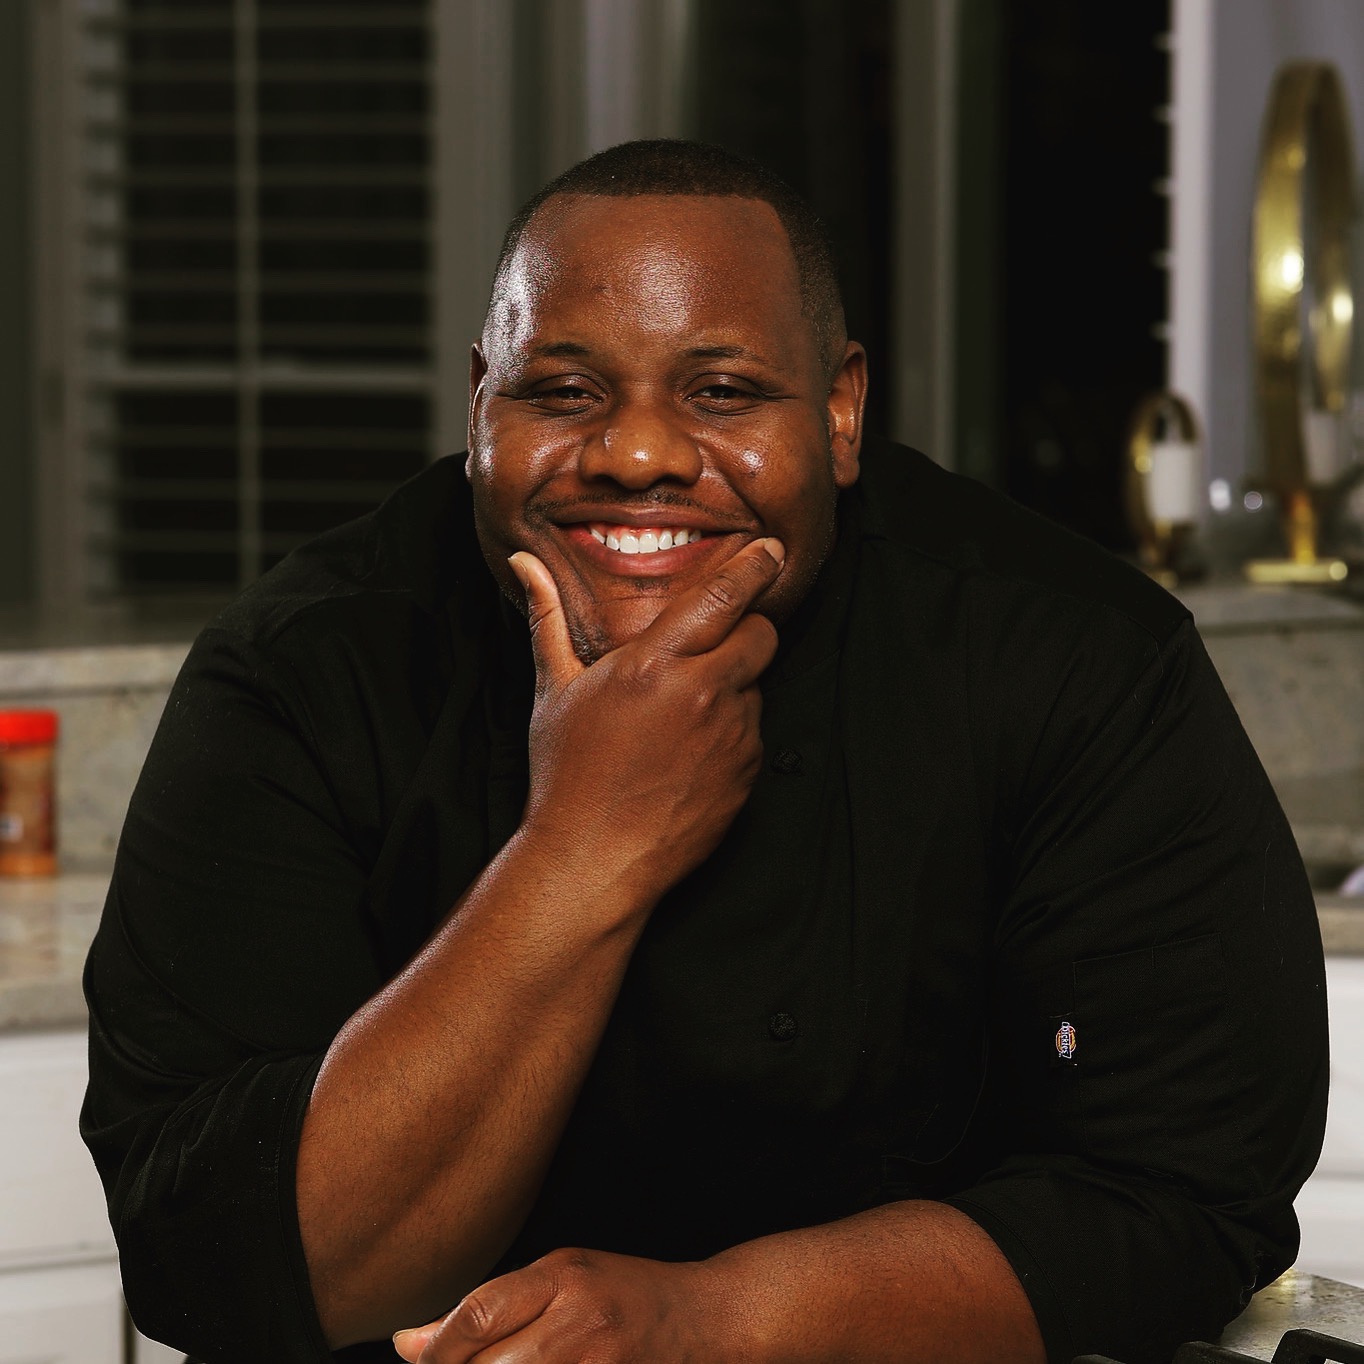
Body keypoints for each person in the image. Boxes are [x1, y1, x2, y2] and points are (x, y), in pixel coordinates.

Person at [81, 139, 1328, 1364]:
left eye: (721, 392)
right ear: (479, 404)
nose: (635, 456)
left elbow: (1181, 1190)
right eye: (562, 391)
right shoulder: (304, 672)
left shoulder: (1072, 661)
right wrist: (581, 844)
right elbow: (223, 1265)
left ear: (838, 412)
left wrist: (710, 1321)